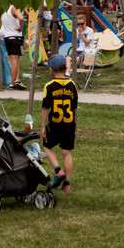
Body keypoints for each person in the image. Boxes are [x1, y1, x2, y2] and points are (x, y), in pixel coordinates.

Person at [40, 54, 79, 192]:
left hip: (55, 123)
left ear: (51, 69)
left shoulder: (49, 86)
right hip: (69, 123)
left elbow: (45, 107)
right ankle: (67, 184)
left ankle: (58, 171)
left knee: (46, 147)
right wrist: (75, 125)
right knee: (66, 152)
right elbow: (74, 108)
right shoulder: (72, 84)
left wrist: (43, 126)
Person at [0, 5, 25, 90]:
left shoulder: (3, 9)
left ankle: (16, 79)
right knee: (15, 60)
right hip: (16, 36)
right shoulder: (14, 8)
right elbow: (21, 18)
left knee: (11, 59)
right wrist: (21, 27)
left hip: (7, 37)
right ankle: (12, 83)